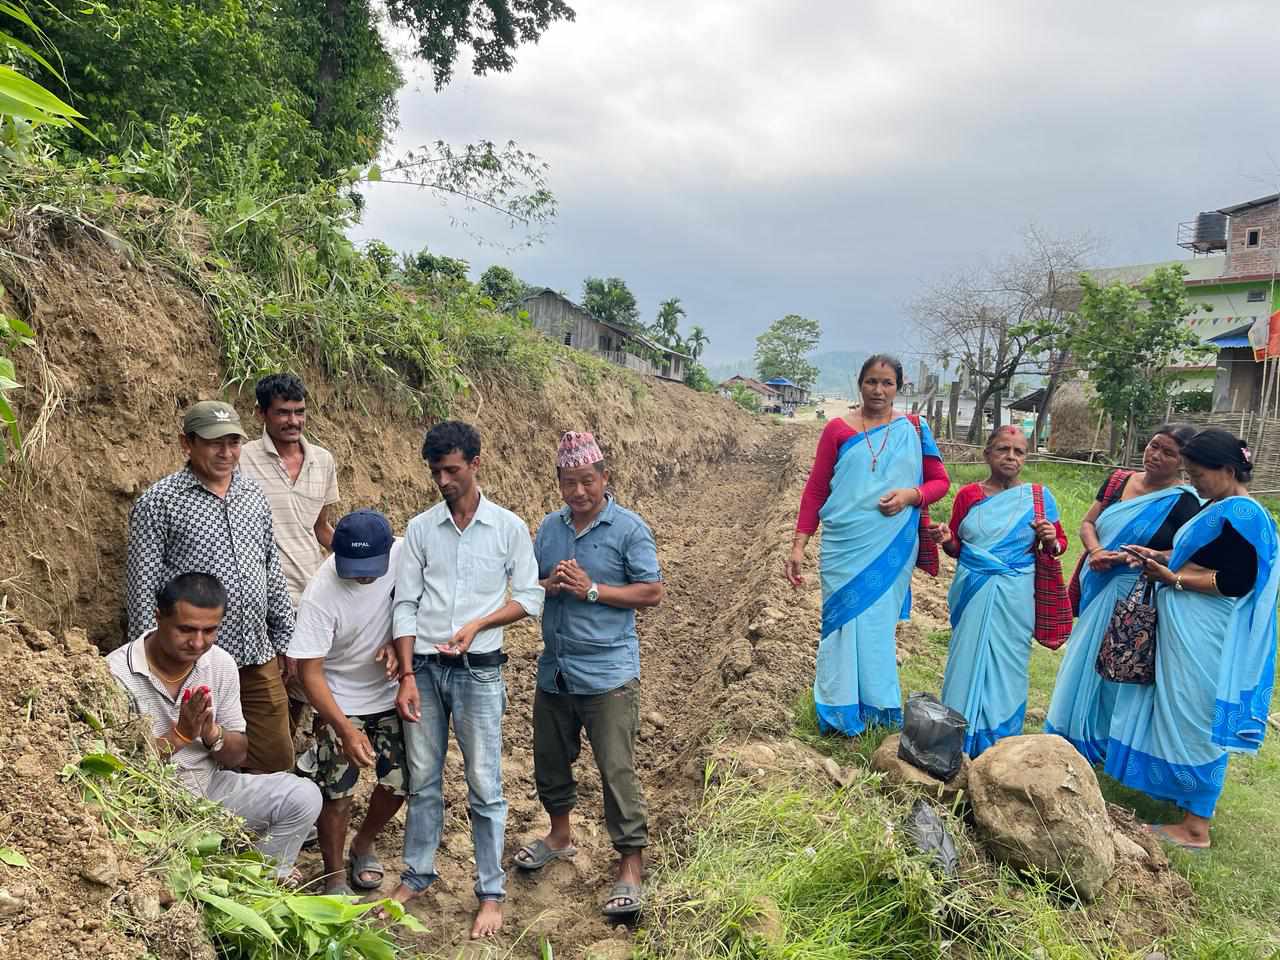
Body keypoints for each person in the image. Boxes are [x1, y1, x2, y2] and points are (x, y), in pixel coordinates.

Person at [386, 421, 544, 939]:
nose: (443, 480)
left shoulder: (508, 528)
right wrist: (407, 673)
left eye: (452, 470)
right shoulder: (420, 530)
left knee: (485, 783)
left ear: (476, 464)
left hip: (480, 670)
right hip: (427, 671)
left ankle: (490, 892)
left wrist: (479, 624)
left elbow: (530, 596)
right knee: (424, 778)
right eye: (436, 471)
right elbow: (405, 602)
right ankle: (417, 874)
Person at [1104, 429, 1278, 850]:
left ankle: (1196, 827)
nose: (1194, 481)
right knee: (1174, 707)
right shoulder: (1217, 505)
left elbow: (1236, 580)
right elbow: (1202, 556)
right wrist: (1156, 555)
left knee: (1196, 716)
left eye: (1198, 473)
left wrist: (1174, 578)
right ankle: (1180, 799)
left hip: (1208, 631)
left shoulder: (1244, 513)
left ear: (1227, 470)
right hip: (1186, 626)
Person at [516, 431, 664, 919]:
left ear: (604, 478)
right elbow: (529, 586)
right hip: (555, 670)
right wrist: (550, 583)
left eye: (587, 481)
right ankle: (559, 835)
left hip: (608, 675)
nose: (579, 492)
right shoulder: (549, 529)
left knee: (616, 769)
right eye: (569, 483)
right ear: (558, 482)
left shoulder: (629, 529)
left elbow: (650, 592)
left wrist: (593, 591)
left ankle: (630, 864)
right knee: (550, 762)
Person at [108, 572, 321, 881]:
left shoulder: (219, 663)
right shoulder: (117, 673)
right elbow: (117, 770)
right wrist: (179, 735)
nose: (198, 642)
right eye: (186, 630)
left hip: (208, 792)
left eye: (210, 631)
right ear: (158, 618)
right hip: (146, 811)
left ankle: (261, 879)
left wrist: (213, 734)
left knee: (304, 796)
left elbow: (237, 756)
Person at [127, 400, 296, 774]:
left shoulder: (252, 495)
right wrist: (150, 661)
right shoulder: (159, 502)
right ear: (187, 444)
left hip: (256, 653)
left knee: (275, 758)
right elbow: (142, 587)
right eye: (214, 443)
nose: (226, 453)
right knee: (201, 757)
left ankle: (272, 826)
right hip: (195, 658)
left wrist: (285, 638)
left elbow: (271, 567)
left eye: (234, 442)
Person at [786, 354, 951, 736]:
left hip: (891, 543)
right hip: (844, 543)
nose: (879, 390)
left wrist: (911, 495)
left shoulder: (913, 428)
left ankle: (879, 711)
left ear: (898, 387)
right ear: (859, 384)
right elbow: (815, 488)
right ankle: (837, 711)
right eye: (871, 382)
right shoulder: (837, 430)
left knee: (877, 626)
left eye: (887, 383)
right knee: (841, 624)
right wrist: (799, 545)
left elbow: (939, 481)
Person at [1045, 425, 1200, 762]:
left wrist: (1153, 555)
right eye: (1153, 445)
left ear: (1182, 462)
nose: (1155, 455)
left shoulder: (1185, 502)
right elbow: (1088, 523)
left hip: (1137, 595)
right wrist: (1096, 551)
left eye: (1168, 452)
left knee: (1119, 665)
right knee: (1082, 658)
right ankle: (1066, 732)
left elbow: (1189, 553)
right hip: (1099, 583)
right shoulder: (1118, 481)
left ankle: (1103, 742)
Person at [287, 509, 406, 895]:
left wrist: (401, 644)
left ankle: (364, 843)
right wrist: (341, 727)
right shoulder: (320, 595)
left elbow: (425, 604)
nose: (363, 576)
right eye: (353, 567)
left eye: (371, 566)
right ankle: (334, 874)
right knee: (337, 787)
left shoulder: (406, 555)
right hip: (339, 697)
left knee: (402, 780)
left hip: (388, 692)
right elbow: (310, 673)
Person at [935, 426, 1067, 757]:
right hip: (973, 588)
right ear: (987, 454)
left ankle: (999, 741)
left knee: (1010, 661)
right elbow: (958, 546)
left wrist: (1051, 538)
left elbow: (1058, 545)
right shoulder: (969, 495)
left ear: (1026, 457)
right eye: (1003, 449)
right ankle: (957, 735)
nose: (1010, 457)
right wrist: (945, 538)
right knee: (964, 656)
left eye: (1018, 451)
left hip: (1016, 592)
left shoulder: (1038, 498)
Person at [239, 373, 340, 729]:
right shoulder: (243, 459)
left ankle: (300, 759)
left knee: (308, 685)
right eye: (282, 412)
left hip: (312, 596)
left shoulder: (323, 461)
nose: (293, 421)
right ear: (261, 414)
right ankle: (274, 761)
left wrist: (362, 555)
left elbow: (321, 528)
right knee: (271, 683)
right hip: (261, 598)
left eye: (299, 412)